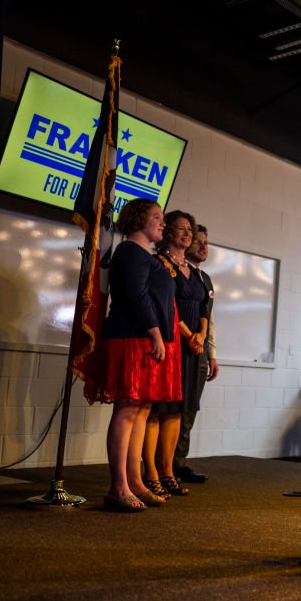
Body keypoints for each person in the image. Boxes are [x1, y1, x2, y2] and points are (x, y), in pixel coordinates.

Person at [92, 198, 181, 512]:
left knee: (141, 411)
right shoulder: (130, 251)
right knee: (128, 409)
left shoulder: (146, 255)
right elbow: (135, 295)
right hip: (132, 337)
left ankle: (135, 482)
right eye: (156, 217)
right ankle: (118, 487)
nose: (162, 222)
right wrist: (154, 331)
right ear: (138, 219)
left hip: (145, 338)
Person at [143, 210, 211, 499]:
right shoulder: (160, 264)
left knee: (178, 411)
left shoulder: (196, 272)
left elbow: (205, 309)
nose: (187, 234)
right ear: (167, 231)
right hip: (170, 344)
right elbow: (166, 304)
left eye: (190, 230)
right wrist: (187, 335)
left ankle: (168, 470)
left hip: (193, 348)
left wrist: (201, 336)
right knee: (158, 410)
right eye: (181, 229)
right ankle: (151, 472)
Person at [173, 224, 218, 483]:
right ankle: (160, 465)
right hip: (178, 346)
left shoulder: (205, 280)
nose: (203, 246)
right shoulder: (173, 271)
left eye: (206, 242)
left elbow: (209, 320)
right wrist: (190, 336)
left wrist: (211, 354)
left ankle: (179, 463)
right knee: (170, 409)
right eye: (197, 241)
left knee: (190, 408)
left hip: (200, 351)